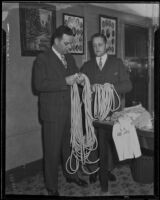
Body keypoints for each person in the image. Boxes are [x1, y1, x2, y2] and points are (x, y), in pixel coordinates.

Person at [33, 25, 88, 196]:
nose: (69, 47)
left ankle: (71, 174)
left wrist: (80, 79)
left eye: (71, 43)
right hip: (52, 114)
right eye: (66, 43)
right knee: (52, 150)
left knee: (69, 147)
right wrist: (65, 81)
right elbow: (39, 85)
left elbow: (75, 75)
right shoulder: (42, 59)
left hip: (70, 111)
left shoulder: (69, 58)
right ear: (56, 41)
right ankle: (52, 187)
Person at [78, 33, 132, 184]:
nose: (97, 48)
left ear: (107, 45)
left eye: (100, 44)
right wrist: (88, 87)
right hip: (92, 110)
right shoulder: (87, 66)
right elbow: (80, 89)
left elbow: (128, 85)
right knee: (92, 139)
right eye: (94, 45)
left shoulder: (117, 63)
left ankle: (107, 170)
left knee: (108, 141)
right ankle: (94, 170)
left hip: (111, 111)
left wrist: (109, 88)